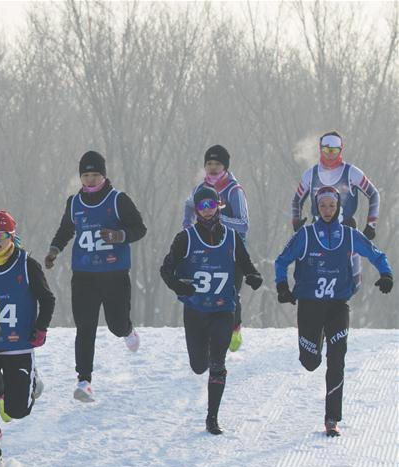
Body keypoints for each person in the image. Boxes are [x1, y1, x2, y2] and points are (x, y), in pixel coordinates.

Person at [275, 185, 392, 437]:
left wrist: (386, 274)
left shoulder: (349, 235)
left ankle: (332, 419)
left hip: (338, 306)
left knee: (337, 360)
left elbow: (376, 254)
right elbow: (281, 260)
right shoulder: (305, 236)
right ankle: (312, 348)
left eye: (331, 205)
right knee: (310, 361)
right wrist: (282, 286)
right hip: (309, 307)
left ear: (338, 207)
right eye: (323, 205)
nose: (327, 210)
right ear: (316, 208)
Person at [44, 150, 147, 402]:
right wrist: (54, 250)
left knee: (116, 324)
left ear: (104, 175)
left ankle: (128, 330)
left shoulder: (117, 200)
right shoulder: (74, 203)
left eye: (95, 175)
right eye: (85, 175)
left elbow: (139, 228)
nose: (90, 180)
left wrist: (118, 236)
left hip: (114, 273)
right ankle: (84, 381)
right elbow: (66, 229)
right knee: (85, 327)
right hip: (84, 275)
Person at [161, 187, 263, 434]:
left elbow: (245, 263)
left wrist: (253, 275)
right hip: (195, 310)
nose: (207, 211)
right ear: (196, 210)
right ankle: (206, 352)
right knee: (198, 366)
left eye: (210, 205)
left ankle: (212, 418)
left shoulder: (231, 237)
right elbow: (166, 270)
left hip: (222, 310)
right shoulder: (185, 238)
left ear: (219, 205)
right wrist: (178, 285)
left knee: (218, 363)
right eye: (201, 206)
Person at [0, 211, 55, 467]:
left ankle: (31, 381)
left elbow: (48, 299)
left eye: (1, 236)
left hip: (18, 346)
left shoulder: (27, 265)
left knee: (17, 411)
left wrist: (40, 329)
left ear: (11, 237)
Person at [182, 145, 250, 351]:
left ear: (225, 166)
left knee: (230, 293)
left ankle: (235, 327)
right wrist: (187, 225)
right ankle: (210, 331)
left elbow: (244, 223)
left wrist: (217, 218)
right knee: (207, 292)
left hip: (233, 252)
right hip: (206, 252)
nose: (212, 168)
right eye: (209, 164)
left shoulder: (233, 190)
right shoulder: (199, 189)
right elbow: (189, 206)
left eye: (217, 164)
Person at [292, 131, 382, 285]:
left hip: (346, 231)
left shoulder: (351, 173)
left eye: (334, 151)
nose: (330, 156)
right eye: (327, 150)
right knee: (311, 279)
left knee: (352, 282)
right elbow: (296, 201)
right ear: (320, 149)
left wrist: (371, 225)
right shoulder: (310, 175)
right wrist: (296, 221)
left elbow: (374, 195)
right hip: (318, 231)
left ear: (341, 150)